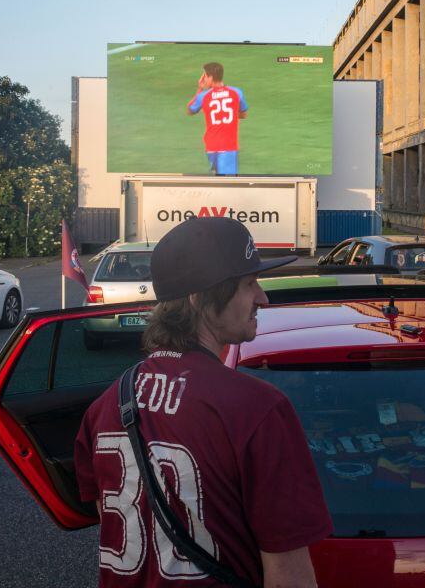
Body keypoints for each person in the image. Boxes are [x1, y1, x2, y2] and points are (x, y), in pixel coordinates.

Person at [75, 217, 333, 587]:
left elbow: (117, 524)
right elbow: (289, 575)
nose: (262, 297)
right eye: (249, 284)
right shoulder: (258, 410)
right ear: (200, 300)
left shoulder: (108, 402)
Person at [186, 62, 249, 176]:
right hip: (229, 146)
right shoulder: (236, 92)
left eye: (205, 76)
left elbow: (190, 110)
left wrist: (200, 88)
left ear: (210, 77)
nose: (204, 79)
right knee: (230, 183)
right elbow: (244, 114)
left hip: (211, 146)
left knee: (218, 180)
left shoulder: (204, 96)